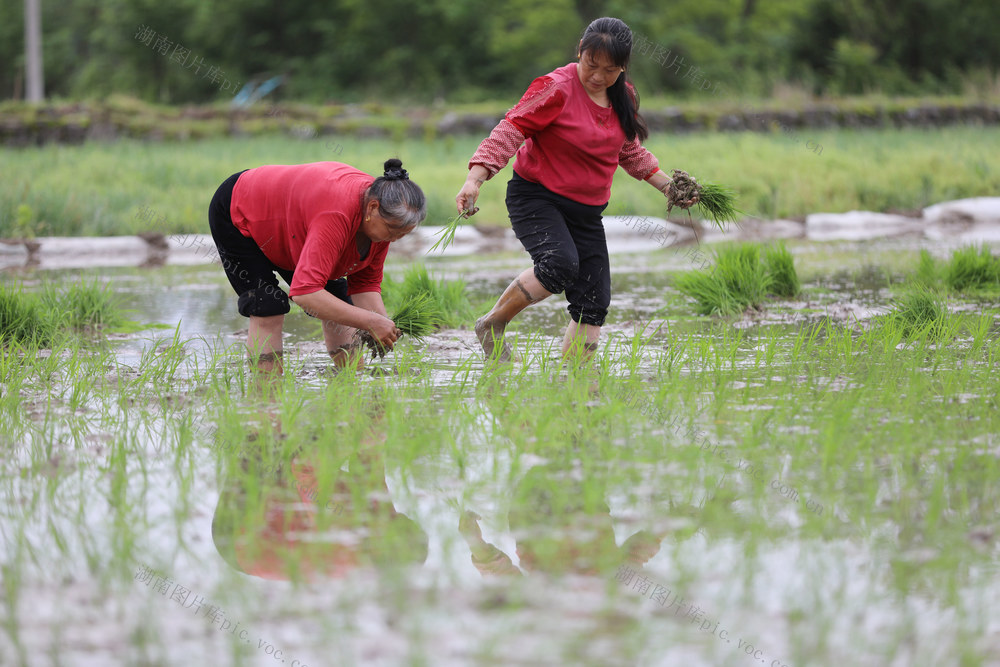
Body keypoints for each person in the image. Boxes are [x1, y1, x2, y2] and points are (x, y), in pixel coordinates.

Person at [455, 17, 698, 362]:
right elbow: (511, 129)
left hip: (586, 211)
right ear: (580, 52)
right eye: (591, 65)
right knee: (559, 264)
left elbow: (628, 151)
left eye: (610, 70)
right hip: (537, 197)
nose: (598, 76)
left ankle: (578, 381)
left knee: (594, 301)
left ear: (623, 67)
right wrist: (475, 178)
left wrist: (669, 188)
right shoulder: (555, 88)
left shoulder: (624, 96)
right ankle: (493, 323)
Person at [208, 158, 426, 372]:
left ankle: (352, 382)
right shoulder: (337, 213)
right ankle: (266, 391)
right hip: (241, 210)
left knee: (337, 299)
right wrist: (370, 322)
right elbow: (306, 293)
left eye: (403, 234)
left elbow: (364, 285)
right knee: (267, 305)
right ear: (372, 208)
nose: (394, 239)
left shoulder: (381, 218)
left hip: (294, 224)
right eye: (392, 230)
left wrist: (383, 326)